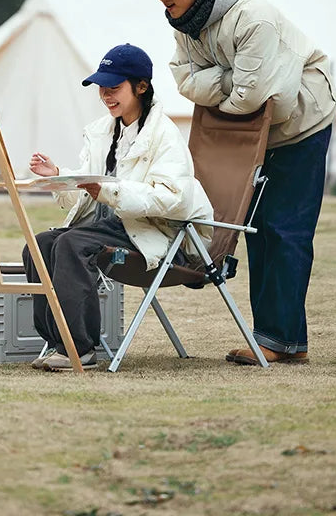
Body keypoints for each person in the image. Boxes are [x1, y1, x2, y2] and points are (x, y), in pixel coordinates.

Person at [139, 0, 336, 365]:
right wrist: (231, 82)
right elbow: (183, 80)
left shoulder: (254, 17)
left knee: (285, 232)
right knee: (258, 232)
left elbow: (256, 97)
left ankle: (278, 341)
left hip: (301, 127)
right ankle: (284, 341)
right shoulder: (183, 21)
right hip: (253, 133)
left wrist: (221, 85)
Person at [22, 43, 213, 371]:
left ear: (141, 87)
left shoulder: (165, 135)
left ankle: (79, 348)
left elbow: (172, 199)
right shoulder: (100, 133)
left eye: (114, 88)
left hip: (151, 233)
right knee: (38, 245)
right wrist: (58, 177)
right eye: (101, 89)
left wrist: (111, 193)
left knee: (69, 243)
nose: (106, 95)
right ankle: (59, 341)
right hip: (106, 227)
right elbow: (86, 194)